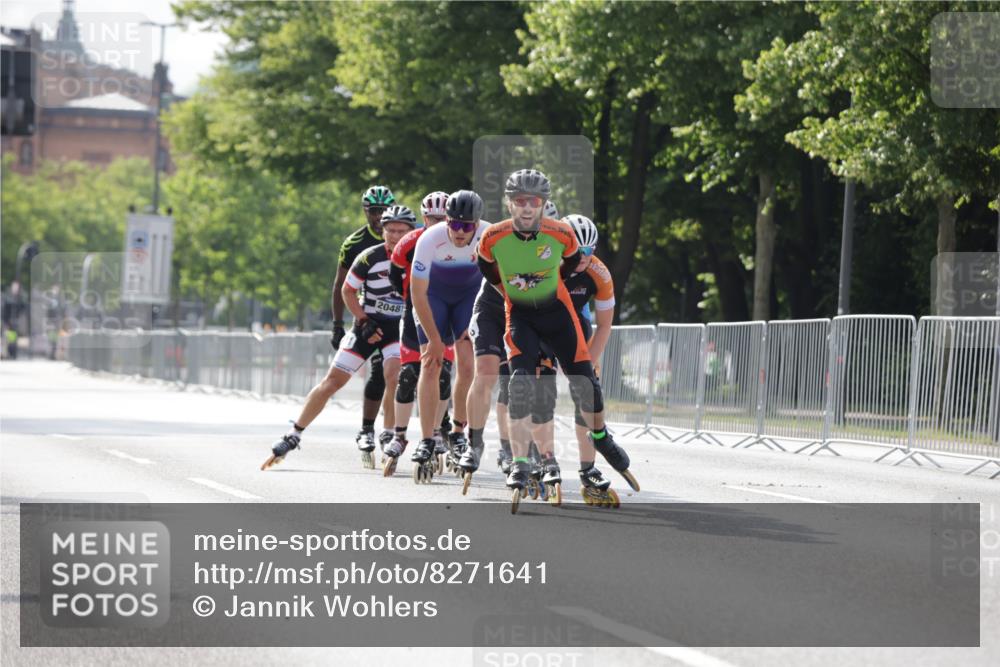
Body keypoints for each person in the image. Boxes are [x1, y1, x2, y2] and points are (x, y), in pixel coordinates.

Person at [475, 169, 638, 507]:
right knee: (521, 386)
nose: (526, 207)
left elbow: (571, 267)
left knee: (586, 383)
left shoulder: (562, 235)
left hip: (560, 316)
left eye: (533, 201)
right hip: (520, 317)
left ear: (544, 204)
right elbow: (489, 271)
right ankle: (522, 461)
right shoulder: (492, 237)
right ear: (509, 203)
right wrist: (515, 294)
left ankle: (599, 437)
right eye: (519, 201)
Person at [262, 206, 416, 470]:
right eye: (390, 230)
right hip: (368, 325)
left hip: (397, 328)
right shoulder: (369, 257)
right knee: (333, 381)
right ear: (383, 230)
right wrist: (362, 319)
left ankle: (389, 432)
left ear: (412, 233)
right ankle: (294, 434)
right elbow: (347, 290)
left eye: (402, 231)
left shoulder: (418, 258)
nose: (395, 235)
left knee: (394, 374)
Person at [461, 199, 559, 491]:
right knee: (488, 373)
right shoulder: (504, 238)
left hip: (526, 315)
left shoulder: (554, 247)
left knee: (517, 383)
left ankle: (514, 448)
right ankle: (474, 443)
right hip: (493, 310)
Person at [394, 190, 488, 482]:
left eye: (467, 226)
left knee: (468, 365)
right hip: (432, 297)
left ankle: (458, 431)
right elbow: (417, 293)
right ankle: (426, 437)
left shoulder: (489, 235)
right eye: (454, 225)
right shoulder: (430, 239)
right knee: (431, 363)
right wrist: (434, 339)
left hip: (469, 298)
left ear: (476, 224)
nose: (460, 233)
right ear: (446, 221)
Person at [384, 191, 457, 474]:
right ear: (423, 218)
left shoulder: (462, 239)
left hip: (448, 313)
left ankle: (437, 432)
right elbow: (394, 270)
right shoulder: (411, 241)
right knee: (408, 375)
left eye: (442, 218)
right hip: (416, 310)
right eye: (431, 218)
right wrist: (407, 297)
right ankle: (399, 436)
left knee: (442, 373)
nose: (436, 222)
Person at [331, 185, 397, 455]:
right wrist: (337, 324)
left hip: (396, 314)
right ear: (365, 211)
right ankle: (367, 429)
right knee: (375, 371)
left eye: (383, 210)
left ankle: (390, 430)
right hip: (365, 313)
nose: (379, 216)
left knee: (391, 372)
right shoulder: (354, 243)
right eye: (373, 211)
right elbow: (340, 286)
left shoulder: (403, 235)